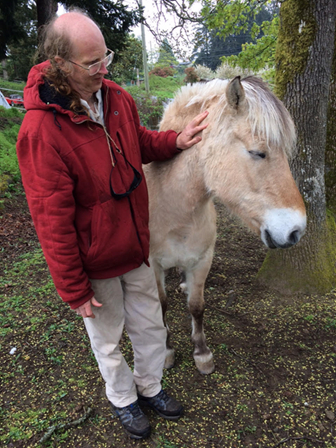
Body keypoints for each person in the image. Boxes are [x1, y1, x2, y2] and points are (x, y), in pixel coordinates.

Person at [16, 9, 208, 440]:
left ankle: (150, 387)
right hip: (93, 262)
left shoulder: (116, 96)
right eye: (93, 63)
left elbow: (137, 141)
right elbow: (51, 218)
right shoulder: (40, 129)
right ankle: (123, 399)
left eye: (107, 57)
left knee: (150, 326)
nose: (105, 69)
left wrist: (175, 140)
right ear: (61, 65)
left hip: (134, 246)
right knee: (107, 340)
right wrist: (73, 288)